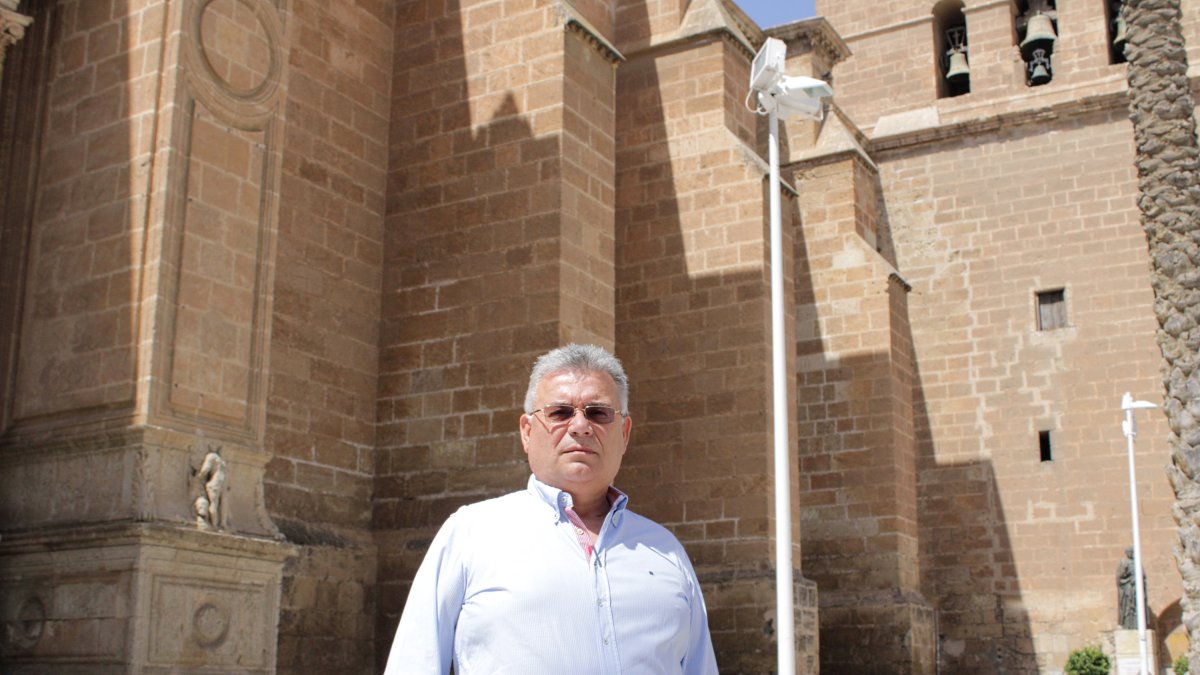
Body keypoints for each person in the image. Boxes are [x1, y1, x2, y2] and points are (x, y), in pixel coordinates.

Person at [384, 343, 718, 674]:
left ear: (624, 433)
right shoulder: (471, 534)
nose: (580, 426)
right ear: (527, 432)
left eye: (598, 413)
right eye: (560, 412)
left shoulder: (665, 551)